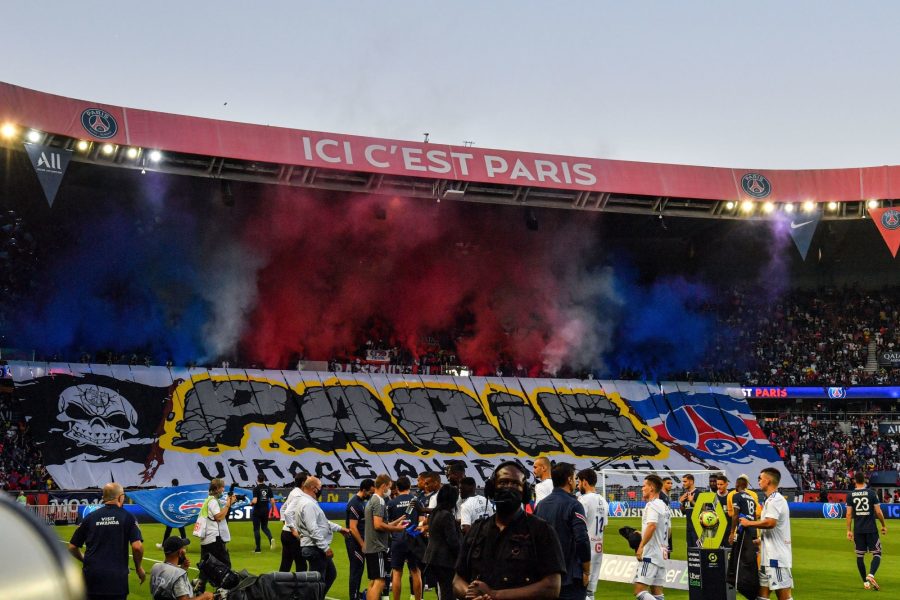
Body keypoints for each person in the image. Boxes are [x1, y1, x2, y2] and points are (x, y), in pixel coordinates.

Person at [453, 461, 566, 600]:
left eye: (515, 484)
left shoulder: (542, 530)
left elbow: (552, 587)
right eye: (503, 482)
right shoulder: (477, 530)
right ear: (491, 488)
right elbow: (457, 580)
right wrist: (471, 595)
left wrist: (495, 595)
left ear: (524, 492)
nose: (509, 487)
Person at [68, 482, 145, 600]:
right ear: (120, 497)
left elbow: (72, 547)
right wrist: (139, 567)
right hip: (116, 580)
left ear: (104, 498)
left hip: (91, 578)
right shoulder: (128, 517)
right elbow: (137, 547)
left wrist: (84, 559)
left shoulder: (89, 517)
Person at [534, 462, 591, 600]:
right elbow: (582, 539)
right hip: (570, 578)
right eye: (575, 478)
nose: (576, 481)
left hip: (545, 578)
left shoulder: (540, 505)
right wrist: (586, 571)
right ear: (569, 480)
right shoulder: (574, 505)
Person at [739, 468, 793, 600]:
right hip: (767, 557)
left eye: (760, 478)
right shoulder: (769, 500)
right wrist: (760, 540)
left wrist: (749, 523)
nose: (758, 481)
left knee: (784, 596)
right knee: (762, 594)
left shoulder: (776, 500)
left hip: (777, 558)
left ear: (768, 481)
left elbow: (770, 523)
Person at [296, 476, 350, 595]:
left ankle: (317, 597)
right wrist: (325, 547)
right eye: (320, 487)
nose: (321, 490)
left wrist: (340, 529)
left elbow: (323, 523)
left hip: (313, 547)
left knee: (330, 574)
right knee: (317, 582)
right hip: (314, 548)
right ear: (313, 488)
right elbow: (313, 529)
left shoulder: (308, 502)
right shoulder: (308, 504)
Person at [365, 474, 412, 600]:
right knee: (380, 581)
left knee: (374, 581)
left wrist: (398, 520)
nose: (391, 490)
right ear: (384, 486)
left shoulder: (372, 500)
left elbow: (381, 524)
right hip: (378, 546)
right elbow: (378, 525)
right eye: (390, 487)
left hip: (371, 546)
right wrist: (398, 528)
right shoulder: (379, 501)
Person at [846, 471, 887, 591]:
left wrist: (848, 530)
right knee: (877, 553)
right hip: (871, 529)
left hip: (858, 529)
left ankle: (865, 582)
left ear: (854, 481)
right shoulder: (871, 493)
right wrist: (883, 525)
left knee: (860, 556)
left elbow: (848, 514)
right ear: (865, 480)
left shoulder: (850, 495)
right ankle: (871, 575)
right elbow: (878, 512)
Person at [194, 478, 236, 594]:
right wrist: (228, 504)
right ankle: (222, 591)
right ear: (217, 488)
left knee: (206, 565)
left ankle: (199, 586)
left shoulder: (208, 500)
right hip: (213, 538)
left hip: (206, 539)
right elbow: (219, 517)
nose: (223, 490)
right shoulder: (213, 501)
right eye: (222, 487)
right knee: (225, 564)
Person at [633, 474, 670, 600]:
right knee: (657, 592)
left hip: (651, 555)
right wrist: (643, 534)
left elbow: (652, 526)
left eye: (644, 486)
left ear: (652, 488)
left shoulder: (652, 505)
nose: (642, 489)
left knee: (639, 591)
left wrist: (641, 546)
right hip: (662, 553)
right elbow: (668, 531)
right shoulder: (664, 507)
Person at [386, 476, 423, 600]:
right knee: (415, 571)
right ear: (410, 486)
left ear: (396, 488)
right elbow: (422, 521)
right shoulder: (416, 500)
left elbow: (387, 523)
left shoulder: (391, 503)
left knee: (397, 573)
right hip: (414, 539)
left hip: (398, 539)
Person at [423, 484, 461, 600]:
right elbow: (452, 541)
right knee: (448, 592)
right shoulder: (447, 515)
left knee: (444, 590)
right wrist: (461, 556)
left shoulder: (434, 513)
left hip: (433, 558)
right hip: (445, 560)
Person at [727, 474, 761, 596]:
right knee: (750, 559)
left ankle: (745, 586)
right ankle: (751, 585)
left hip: (744, 530)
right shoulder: (751, 498)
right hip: (753, 530)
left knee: (740, 558)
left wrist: (732, 532)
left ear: (737, 485)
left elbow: (735, 515)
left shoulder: (736, 496)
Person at [576, 468, 608, 600]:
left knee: (579, 591)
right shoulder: (604, 501)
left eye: (578, 482)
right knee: (590, 592)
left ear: (584, 482)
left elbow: (578, 525)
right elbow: (604, 526)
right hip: (598, 549)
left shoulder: (583, 500)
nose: (578, 485)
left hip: (584, 550)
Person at [149, 537, 213, 600]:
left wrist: (182, 569)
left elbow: (167, 588)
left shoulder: (155, 567)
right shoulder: (178, 575)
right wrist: (205, 597)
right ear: (180, 552)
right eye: (184, 548)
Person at [346, 478, 375, 600]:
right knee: (356, 570)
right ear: (364, 490)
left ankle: (356, 594)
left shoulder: (362, 502)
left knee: (359, 569)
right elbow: (353, 527)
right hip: (355, 542)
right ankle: (353, 597)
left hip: (360, 542)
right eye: (370, 492)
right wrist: (362, 544)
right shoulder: (355, 504)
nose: (371, 495)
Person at [280, 471, 308, 572]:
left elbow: (283, 509)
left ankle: (278, 586)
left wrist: (286, 524)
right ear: (303, 483)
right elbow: (287, 512)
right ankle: (300, 588)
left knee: (285, 564)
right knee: (301, 565)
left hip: (285, 533)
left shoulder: (293, 492)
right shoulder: (299, 496)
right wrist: (293, 530)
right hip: (292, 536)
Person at [156, 479, 187, 550]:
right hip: (179, 513)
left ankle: (163, 545)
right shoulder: (180, 491)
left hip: (172, 514)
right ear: (178, 483)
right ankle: (184, 546)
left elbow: (164, 496)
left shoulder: (170, 490)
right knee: (181, 528)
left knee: (168, 529)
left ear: (172, 483)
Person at [251, 474, 275, 553]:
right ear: (264, 479)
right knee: (265, 527)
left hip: (257, 511)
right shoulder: (268, 488)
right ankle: (271, 538)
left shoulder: (256, 489)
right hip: (265, 511)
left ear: (257, 479)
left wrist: (251, 504)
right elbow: (272, 500)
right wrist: (273, 510)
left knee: (256, 529)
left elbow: (255, 500)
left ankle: (258, 549)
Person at [679, 474, 701, 549]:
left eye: (685, 481)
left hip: (698, 528)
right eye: (683, 481)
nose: (683, 483)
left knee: (698, 550)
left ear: (691, 481)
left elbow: (703, 510)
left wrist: (692, 501)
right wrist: (681, 502)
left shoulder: (699, 493)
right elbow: (683, 512)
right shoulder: (685, 495)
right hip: (689, 527)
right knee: (690, 551)